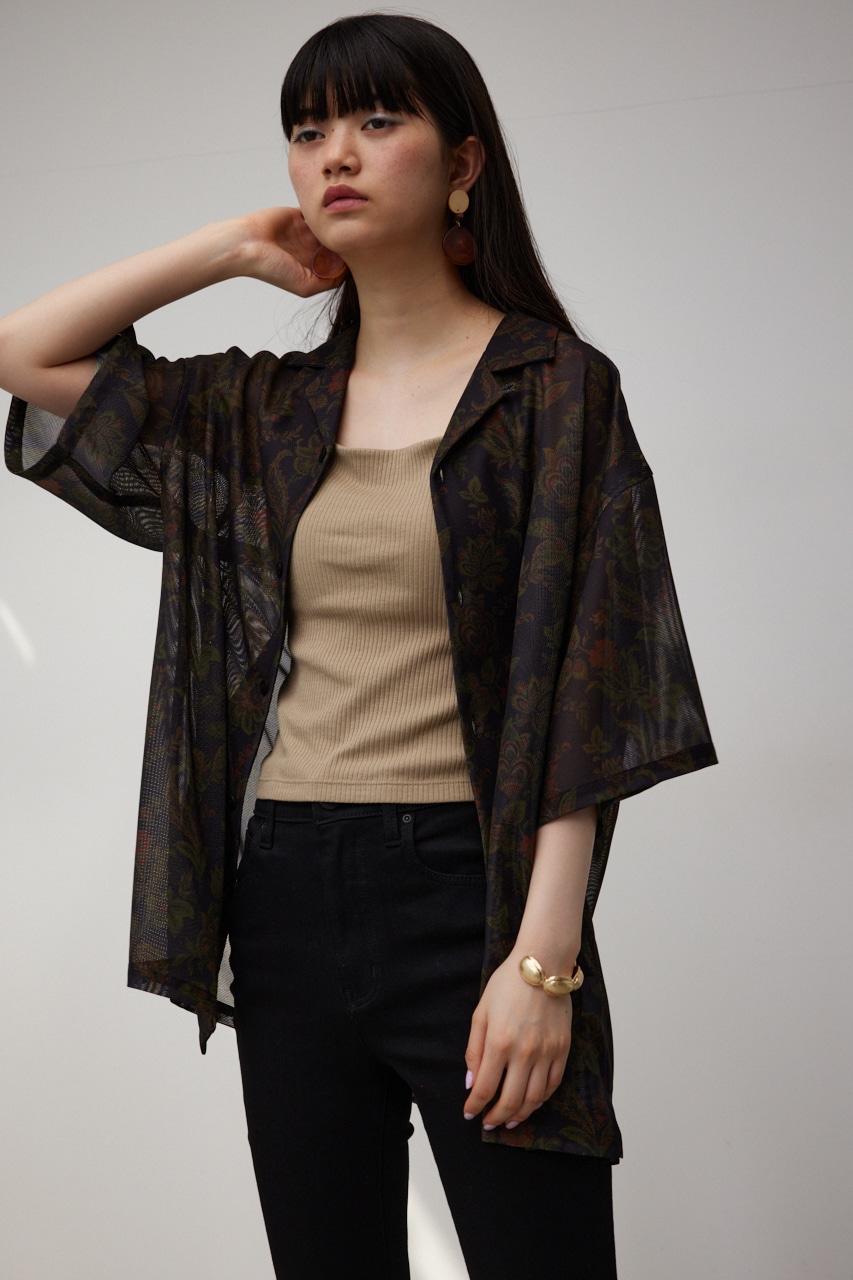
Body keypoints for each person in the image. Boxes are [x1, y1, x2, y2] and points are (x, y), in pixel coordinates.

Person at [0, 13, 717, 1279]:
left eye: (378, 120)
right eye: (307, 129)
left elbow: (591, 686)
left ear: (463, 164)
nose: (335, 152)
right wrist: (232, 248)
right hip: (284, 889)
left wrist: (542, 962)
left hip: (471, 891)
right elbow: (22, 351)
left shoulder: (554, 390)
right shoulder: (261, 411)